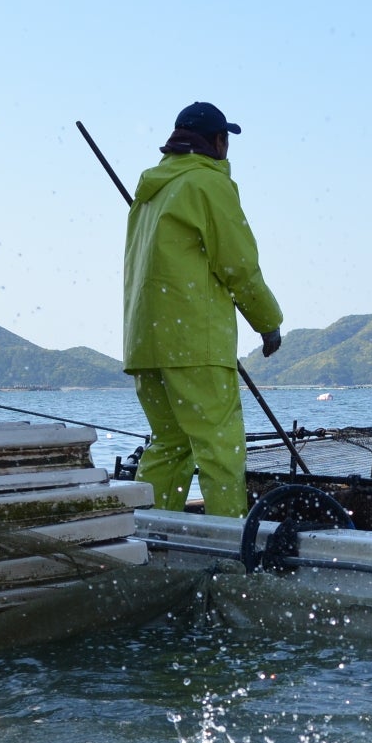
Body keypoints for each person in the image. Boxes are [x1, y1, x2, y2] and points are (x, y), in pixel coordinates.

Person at [122, 101, 282, 517]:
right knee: (219, 449)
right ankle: (230, 553)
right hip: (194, 343)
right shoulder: (207, 184)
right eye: (226, 139)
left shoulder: (150, 193)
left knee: (168, 444)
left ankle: (147, 535)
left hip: (145, 344)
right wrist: (268, 323)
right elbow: (238, 265)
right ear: (217, 141)